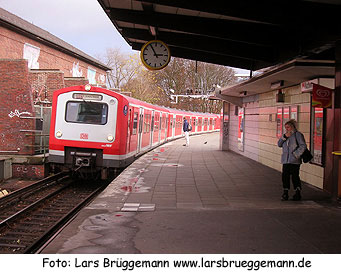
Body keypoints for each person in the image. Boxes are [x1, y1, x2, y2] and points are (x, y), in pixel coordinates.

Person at [277, 119, 306, 201]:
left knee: (295, 176)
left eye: (288, 127)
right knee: (285, 176)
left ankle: (297, 192)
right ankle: (285, 192)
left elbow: (303, 146)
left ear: (292, 127)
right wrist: (284, 137)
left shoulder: (298, 135)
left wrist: (296, 154)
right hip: (286, 160)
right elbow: (279, 144)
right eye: (285, 127)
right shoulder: (285, 135)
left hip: (295, 160)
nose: (287, 129)